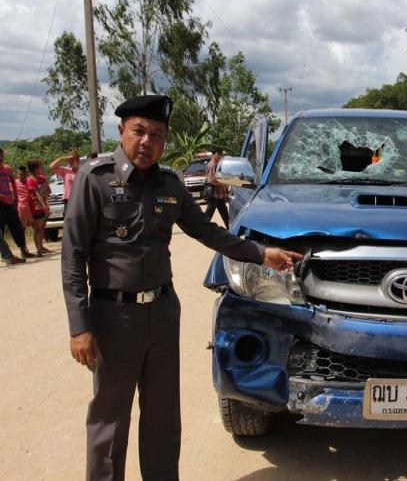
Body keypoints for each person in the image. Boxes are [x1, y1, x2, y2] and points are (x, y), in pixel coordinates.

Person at [61, 94, 302, 481]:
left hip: (161, 313)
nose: (146, 141)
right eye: (139, 131)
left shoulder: (169, 183)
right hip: (113, 317)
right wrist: (79, 326)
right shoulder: (96, 180)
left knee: (162, 416)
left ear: (165, 140)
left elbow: (208, 232)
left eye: (156, 134)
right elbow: (72, 257)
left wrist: (262, 253)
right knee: (110, 418)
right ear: (122, 131)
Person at [0, 148, 35, 260]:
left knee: (17, 228)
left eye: (1, 155)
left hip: (10, 202)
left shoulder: (7, 168)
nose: (0, 157)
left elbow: (13, 183)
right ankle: (5, 255)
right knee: (1, 230)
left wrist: (15, 198)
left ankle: (23, 251)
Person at [26, 160, 51, 255]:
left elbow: (47, 191)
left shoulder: (42, 178)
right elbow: (37, 194)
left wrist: (46, 205)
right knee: (38, 228)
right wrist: (44, 205)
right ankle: (38, 249)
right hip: (35, 207)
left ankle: (41, 246)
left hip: (43, 206)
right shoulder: (30, 180)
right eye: (40, 167)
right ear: (36, 169)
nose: (42, 168)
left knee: (42, 227)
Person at [204, 147, 229, 227]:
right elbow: (211, 180)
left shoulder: (217, 165)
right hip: (214, 195)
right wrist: (223, 183)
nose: (220, 156)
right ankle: (202, 229)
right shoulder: (212, 165)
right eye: (218, 154)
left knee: (225, 215)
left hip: (219, 195)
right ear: (214, 154)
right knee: (208, 215)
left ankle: (231, 230)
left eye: (221, 154)